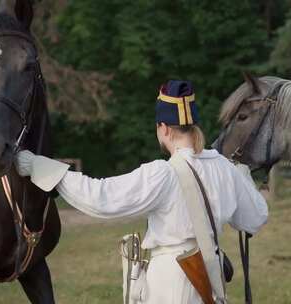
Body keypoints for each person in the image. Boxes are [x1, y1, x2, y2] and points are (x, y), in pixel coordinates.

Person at [14, 80, 268, 304]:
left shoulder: (163, 174)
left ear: (164, 128)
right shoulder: (225, 167)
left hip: (172, 282)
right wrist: (243, 177)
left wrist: (41, 168)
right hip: (210, 278)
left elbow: (102, 199)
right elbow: (255, 219)